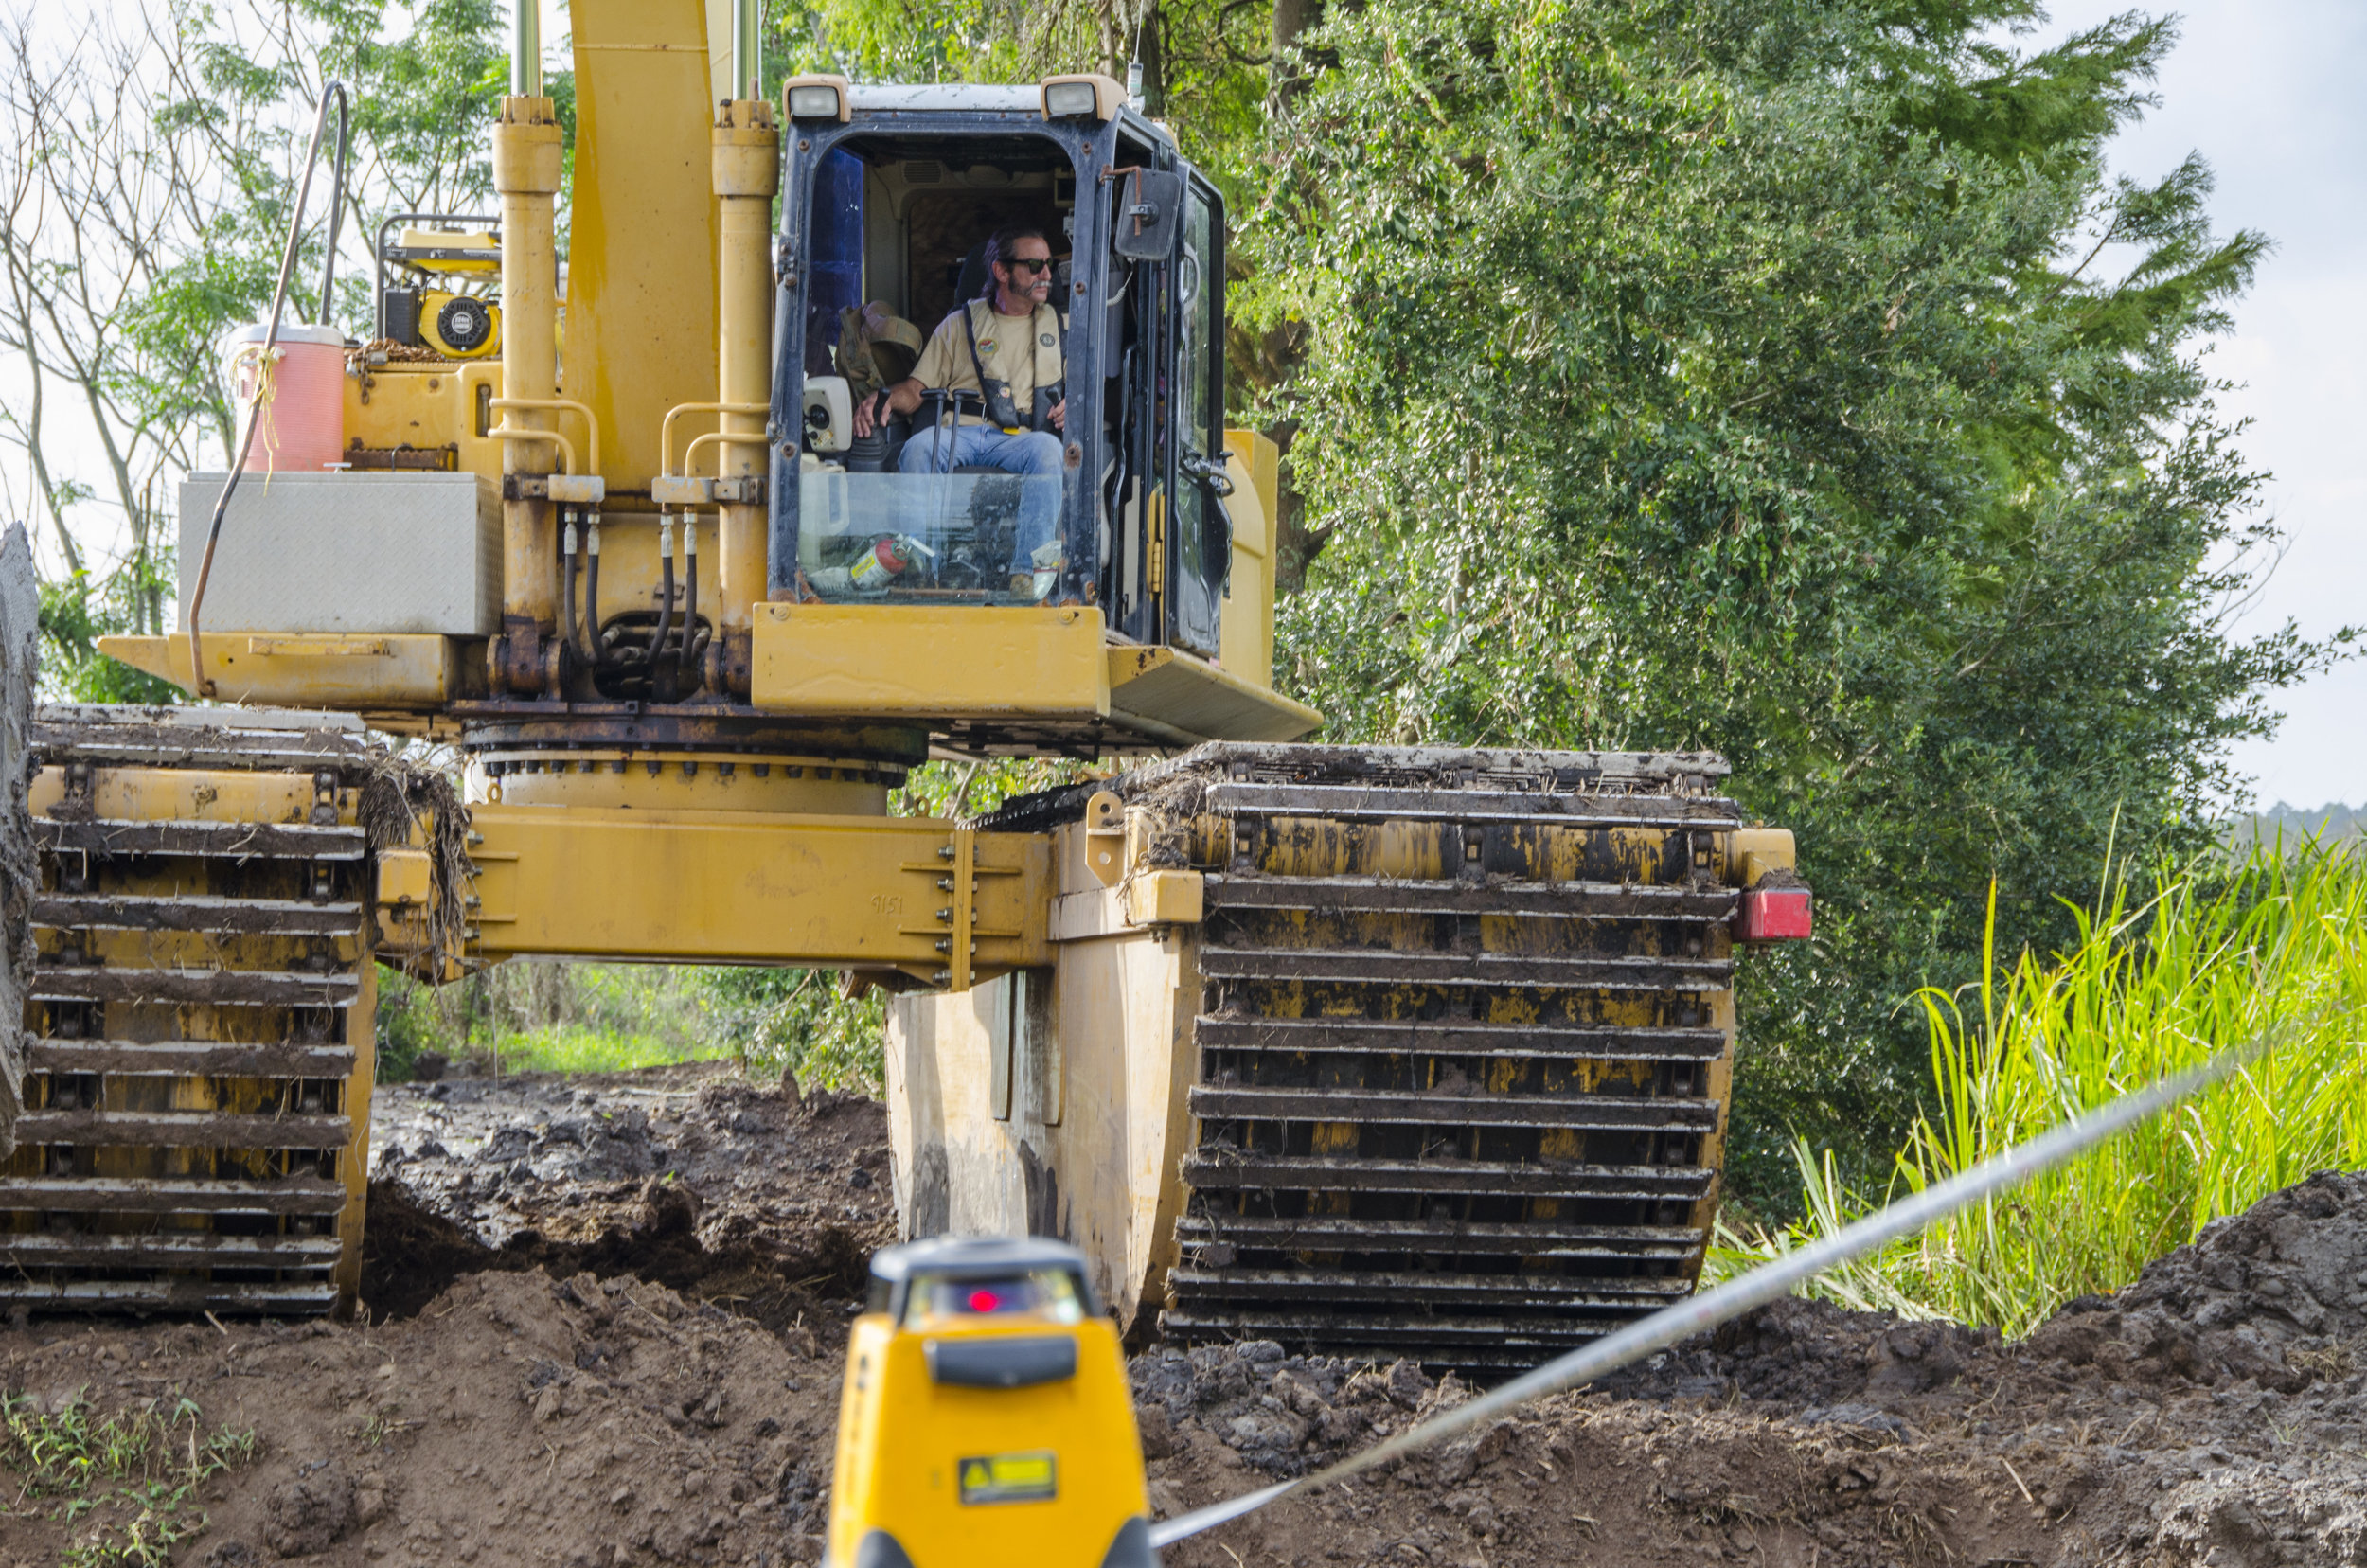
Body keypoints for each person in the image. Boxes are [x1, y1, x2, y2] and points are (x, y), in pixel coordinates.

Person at [850, 224, 1067, 597]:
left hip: (1024, 439)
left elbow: (1090, 393)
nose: (1046, 274)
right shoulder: (958, 325)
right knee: (919, 447)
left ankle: (1025, 574)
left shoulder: (1063, 328)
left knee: (1050, 453)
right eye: (1034, 265)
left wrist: (1072, 405)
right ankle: (920, 567)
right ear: (1001, 271)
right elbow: (916, 390)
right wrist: (882, 397)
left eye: (1048, 265)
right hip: (961, 431)